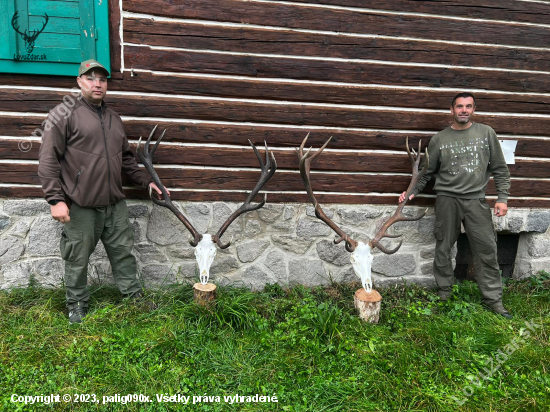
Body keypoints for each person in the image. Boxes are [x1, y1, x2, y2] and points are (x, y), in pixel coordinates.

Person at [38, 59, 164, 324]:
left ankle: (133, 298)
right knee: (77, 258)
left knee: (123, 253)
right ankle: (77, 305)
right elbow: (48, 159)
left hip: (114, 204)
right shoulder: (63, 115)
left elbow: (126, 159)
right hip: (81, 205)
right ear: (79, 82)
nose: (98, 84)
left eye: (102, 79)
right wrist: (55, 199)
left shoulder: (113, 118)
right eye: (91, 78)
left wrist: (145, 181)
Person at [400, 92, 512, 319]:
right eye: (459, 106)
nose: (464, 110)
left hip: (476, 201)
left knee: (487, 250)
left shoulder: (486, 133)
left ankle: (493, 300)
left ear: (473, 109)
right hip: (446, 201)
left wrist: (502, 197)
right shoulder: (439, 139)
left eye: (468, 106)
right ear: (452, 110)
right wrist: (411, 192)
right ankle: (444, 293)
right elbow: (426, 174)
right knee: (443, 249)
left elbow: (500, 168)